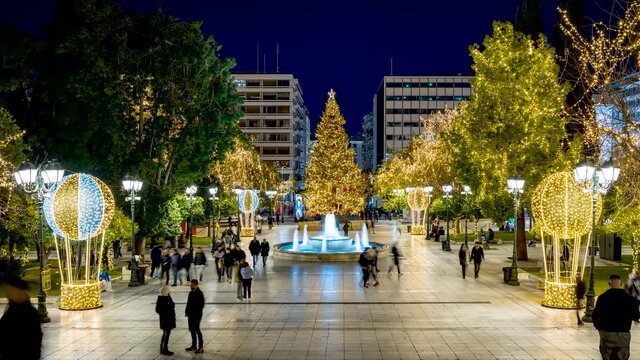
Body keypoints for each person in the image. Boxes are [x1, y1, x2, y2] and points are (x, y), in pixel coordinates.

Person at [593, 274, 640, 360]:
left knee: (607, 355)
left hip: (607, 332)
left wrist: (599, 328)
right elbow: (636, 316)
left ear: (609, 284)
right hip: (623, 332)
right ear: (621, 283)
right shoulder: (630, 299)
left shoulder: (602, 298)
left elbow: (595, 315)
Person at [0, 279, 42, 360]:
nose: (8, 294)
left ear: (19, 292)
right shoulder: (12, 308)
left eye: (11, 290)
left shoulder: (27, 312)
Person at [185, 279, 205, 354]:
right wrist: (187, 312)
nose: (191, 285)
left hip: (196, 315)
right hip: (190, 315)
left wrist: (194, 311)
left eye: (192, 284)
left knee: (197, 329)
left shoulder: (199, 293)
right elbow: (188, 303)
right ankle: (194, 345)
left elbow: (201, 305)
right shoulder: (191, 293)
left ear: (196, 285)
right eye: (191, 284)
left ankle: (201, 347)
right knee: (191, 329)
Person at [155, 286, 176, 356]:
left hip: (168, 319)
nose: (170, 292)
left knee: (166, 334)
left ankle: (163, 348)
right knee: (166, 334)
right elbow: (158, 309)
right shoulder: (163, 298)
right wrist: (167, 309)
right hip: (166, 320)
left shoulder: (167, 297)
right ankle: (164, 349)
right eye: (169, 291)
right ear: (166, 291)